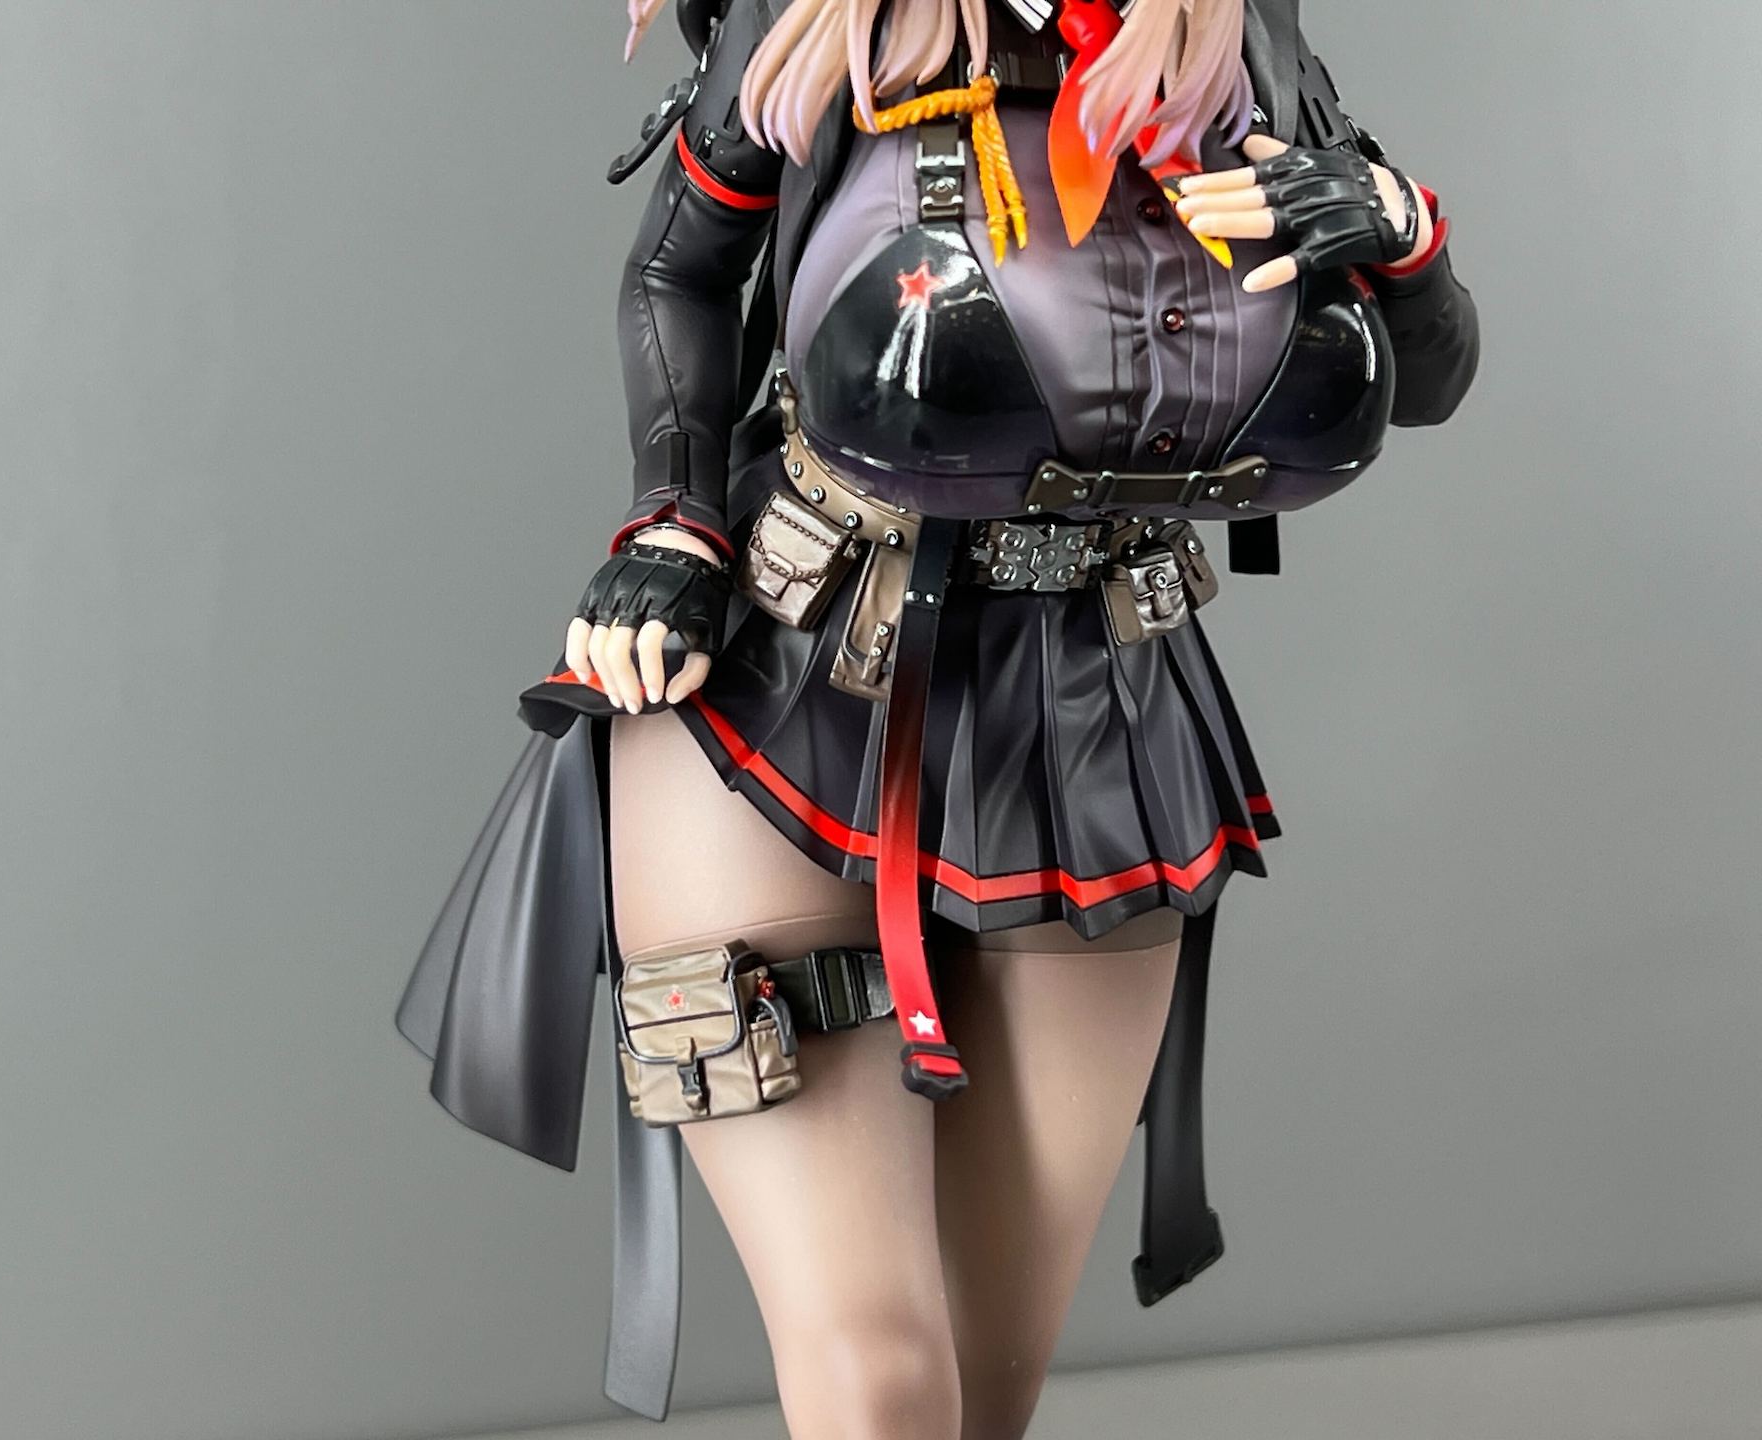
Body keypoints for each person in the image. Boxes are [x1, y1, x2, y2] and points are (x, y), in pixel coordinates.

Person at [396, 1, 1479, 1434]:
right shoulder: (829, 18)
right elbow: (677, 267)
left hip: (1096, 714)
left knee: (987, 1376)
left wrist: (1395, 228)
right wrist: (670, 519)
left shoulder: (1236, 46)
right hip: (788, 671)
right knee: (883, 1379)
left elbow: (1430, 374)